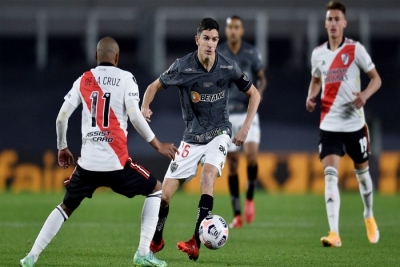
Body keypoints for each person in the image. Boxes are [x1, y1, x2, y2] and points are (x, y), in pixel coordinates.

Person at [19, 37, 178, 267]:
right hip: (117, 165)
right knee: (156, 190)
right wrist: (158, 145)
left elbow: (61, 117)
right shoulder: (126, 78)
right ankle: (143, 253)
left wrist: (62, 146)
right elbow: (134, 116)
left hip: (88, 166)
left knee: (65, 207)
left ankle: (31, 256)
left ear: (96, 57)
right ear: (117, 57)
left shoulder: (84, 79)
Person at [141, 18, 260, 261]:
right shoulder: (182, 66)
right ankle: (157, 238)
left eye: (214, 39)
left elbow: (254, 94)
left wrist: (245, 128)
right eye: (206, 38)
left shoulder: (228, 67)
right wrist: (145, 106)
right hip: (191, 138)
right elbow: (153, 86)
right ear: (197, 40)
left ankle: (195, 240)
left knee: (207, 176)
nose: (210, 43)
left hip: (219, 133)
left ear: (218, 41)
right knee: (163, 196)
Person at [306, 1, 381, 247]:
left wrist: (365, 96)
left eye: (337, 19)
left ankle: (368, 215)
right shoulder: (318, 53)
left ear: (344, 23)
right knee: (330, 176)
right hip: (329, 125)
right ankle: (334, 233)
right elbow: (316, 79)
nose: (333, 23)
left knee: (363, 176)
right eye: (330, 19)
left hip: (354, 125)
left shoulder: (355, 49)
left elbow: (376, 79)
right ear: (326, 23)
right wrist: (311, 95)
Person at [217, 15, 267, 228]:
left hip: (248, 113)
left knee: (252, 156)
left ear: (242, 30)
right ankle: (237, 214)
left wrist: (259, 93)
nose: (233, 31)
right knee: (233, 166)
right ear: (227, 31)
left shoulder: (251, 52)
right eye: (230, 28)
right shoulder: (219, 52)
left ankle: (249, 199)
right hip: (228, 114)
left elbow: (261, 77)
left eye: (237, 27)